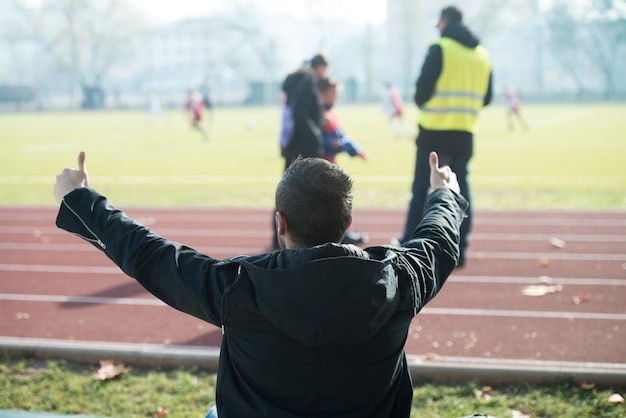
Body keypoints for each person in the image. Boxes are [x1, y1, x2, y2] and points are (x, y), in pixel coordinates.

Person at [54, 150, 467, 418]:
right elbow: (439, 240)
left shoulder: (237, 286)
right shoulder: (400, 278)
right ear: (347, 224)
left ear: (280, 222)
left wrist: (80, 198)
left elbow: (151, 255)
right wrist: (443, 193)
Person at [399, 5, 493, 268]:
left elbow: (421, 93)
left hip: (434, 131)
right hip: (464, 131)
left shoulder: (440, 48)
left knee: (421, 188)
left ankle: (410, 244)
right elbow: (486, 98)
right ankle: (459, 249)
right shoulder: (482, 55)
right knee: (462, 189)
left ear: (444, 22)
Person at [272, 53, 329, 249]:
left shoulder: (297, 81)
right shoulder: (307, 82)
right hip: (304, 147)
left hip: (293, 145)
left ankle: (281, 236)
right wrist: (315, 136)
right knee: (300, 191)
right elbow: (300, 113)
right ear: (320, 67)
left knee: (288, 190)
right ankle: (290, 239)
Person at [318, 76, 369, 245]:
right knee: (335, 198)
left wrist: (353, 149)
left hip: (330, 163)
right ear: (323, 93)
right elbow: (324, 141)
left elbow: (339, 137)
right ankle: (341, 233)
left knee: (338, 198)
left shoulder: (330, 114)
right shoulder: (319, 115)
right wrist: (335, 144)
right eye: (334, 93)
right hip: (321, 165)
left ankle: (342, 231)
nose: (336, 97)